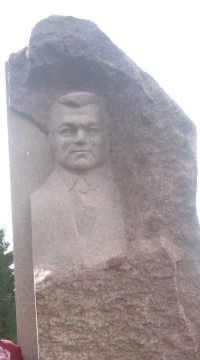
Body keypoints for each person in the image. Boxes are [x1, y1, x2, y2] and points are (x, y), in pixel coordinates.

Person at [30, 91, 126, 269]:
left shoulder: (127, 197)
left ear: (106, 137)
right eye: (68, 131)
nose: (81, 139)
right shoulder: (39, 201)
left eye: (91, 131)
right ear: (51, 139)